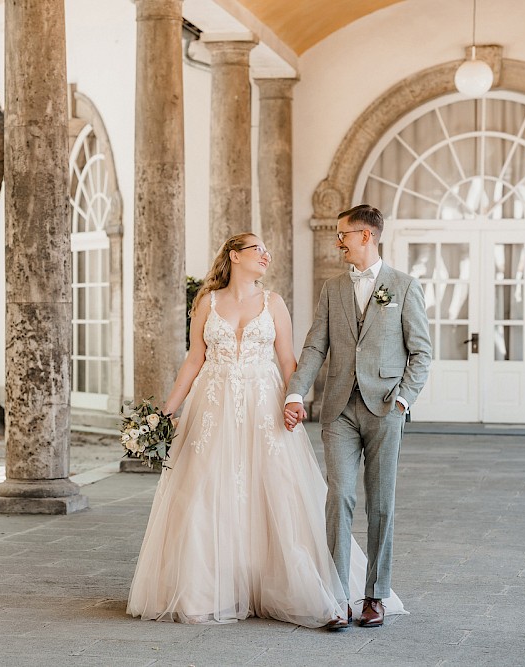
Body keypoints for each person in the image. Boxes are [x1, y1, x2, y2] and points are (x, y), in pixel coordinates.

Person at [127, 232, 406, 627]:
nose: (266, 255)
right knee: (208, 489)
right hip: (214, 405)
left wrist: (295, 400)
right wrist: (164, 412)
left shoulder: (273, 302)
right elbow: (194, 359)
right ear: (235, 255)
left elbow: (290, 359)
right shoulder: (206, 302)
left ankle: (300, 587)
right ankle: (212, 588)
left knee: (277, 490)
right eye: (258, 249)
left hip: (264, 405)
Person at [284, 204, 431, 629]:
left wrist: (404, 400)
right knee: (340, 497)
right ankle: (335, 595)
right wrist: (296, 392)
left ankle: (375, 595)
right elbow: (315, 347)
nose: (338, 241)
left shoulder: (403, 286)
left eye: (343, 234)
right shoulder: (332, 289)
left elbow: (421, 352)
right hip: (339, 409)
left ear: (366, 236)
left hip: (386, 408)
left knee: (381, 503)